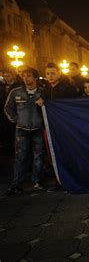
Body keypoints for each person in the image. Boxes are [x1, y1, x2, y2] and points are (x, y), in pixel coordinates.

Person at [4, 67, 45, 195]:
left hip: (38, 128)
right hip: (22, 129)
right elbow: (8, 108)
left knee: (38, 155)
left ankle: (37, 180)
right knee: (20, 157)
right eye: (24, 76)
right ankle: (17, 183)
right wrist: (15, 119)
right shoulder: (16, 92)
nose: (25, 78)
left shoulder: (42, 92)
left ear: (35, 78)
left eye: (28, 75)